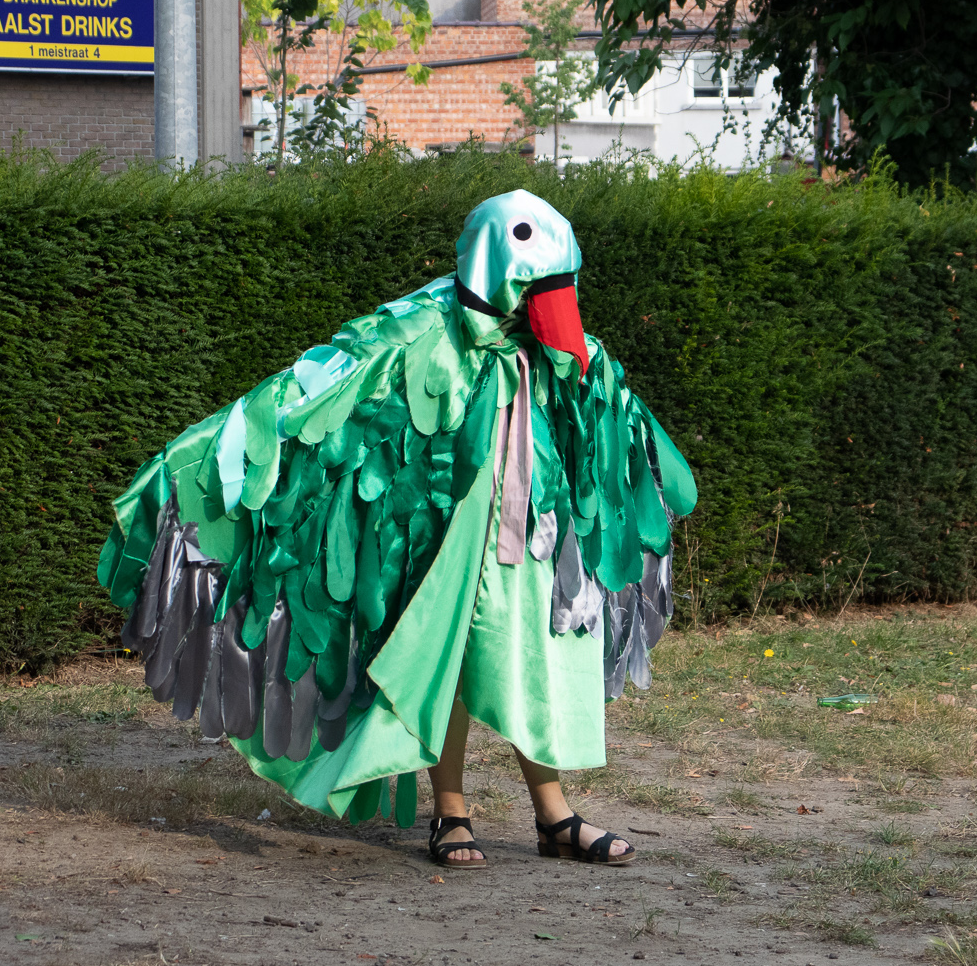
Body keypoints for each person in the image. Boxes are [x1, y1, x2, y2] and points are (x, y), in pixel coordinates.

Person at [98, 190, 695, 868]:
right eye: (538, 287)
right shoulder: (421, 332)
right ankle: (451, 813)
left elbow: (602, 406)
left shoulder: (556, 344)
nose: (552, 306)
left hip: (532, 535)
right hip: (443, 541)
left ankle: (555, 815)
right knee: (441, 664)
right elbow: (315, 396)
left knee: (538, 657)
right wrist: (216, 461)